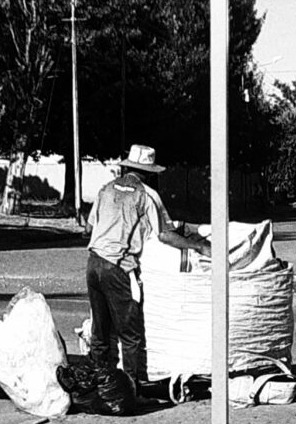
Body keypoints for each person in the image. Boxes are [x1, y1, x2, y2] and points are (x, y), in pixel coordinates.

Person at [85, 144, 211, 387]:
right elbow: (165, 235)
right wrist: (197, 246)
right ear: (150, 172)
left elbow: (88, 228)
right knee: (130, 334)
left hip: (93, 264)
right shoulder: (147, 194)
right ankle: (130, 389)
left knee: (100, 332)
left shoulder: (105, 189)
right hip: (117, 267)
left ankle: (100, 386)